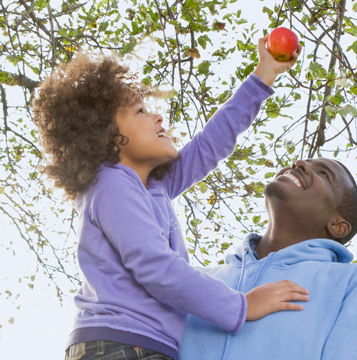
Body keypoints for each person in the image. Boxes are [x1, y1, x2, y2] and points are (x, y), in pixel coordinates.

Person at [33, 37, 309, 360]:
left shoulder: (153, 187)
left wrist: (263, 75)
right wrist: (242, 306)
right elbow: (157, 268)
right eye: (140, 111)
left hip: (139, 345)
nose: (158, 118)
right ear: (107, 136)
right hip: (117, 345)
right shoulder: (110, 183)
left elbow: (210, 144)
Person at [179, 157, 357, 360]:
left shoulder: (355, 286)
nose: (299, 164)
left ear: (337, 226)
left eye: (324, 174)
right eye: (303, 162)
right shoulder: (192, 278)